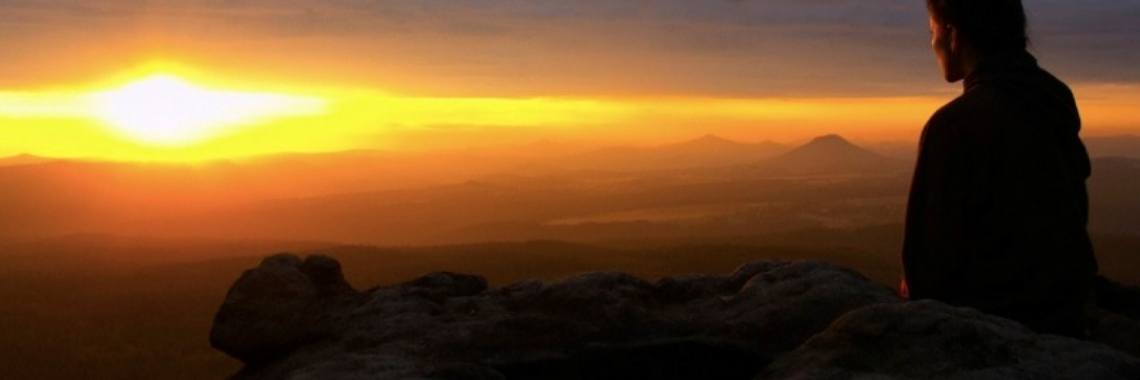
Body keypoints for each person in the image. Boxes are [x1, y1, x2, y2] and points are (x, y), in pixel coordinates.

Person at [901, 0, 1098, 338]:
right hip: (1066, 311)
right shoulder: (1054, 98)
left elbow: (925, 273)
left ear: (953, 35)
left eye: (932, 31)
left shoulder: (953, 125)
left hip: (993, 323)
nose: (931, 42)